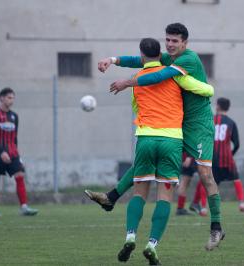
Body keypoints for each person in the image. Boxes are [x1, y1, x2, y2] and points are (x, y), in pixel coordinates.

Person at [86, 23, 224, 250]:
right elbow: (142, 60)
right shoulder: (169, 57)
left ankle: (216, 228)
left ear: (185, 43)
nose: (169, 45)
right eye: (167, 40)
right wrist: (112, 60)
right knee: (144, 164)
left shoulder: (188, 59)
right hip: (177, 124)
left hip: (198, 124)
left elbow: (159, 75)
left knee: (205, 174)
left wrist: (126, 82)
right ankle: (111, 197)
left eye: (174, 41)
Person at [115, 38, 214, 265]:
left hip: (146, 137)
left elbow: (136, 107)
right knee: (165, 196)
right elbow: (202, 89)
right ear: (161, 53)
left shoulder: (137, 79)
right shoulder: (174, 75)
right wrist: (209, 89)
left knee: (139, 191)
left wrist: (114, 62)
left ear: (142, 56)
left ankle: (131, 235)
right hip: (172, 140)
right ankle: (152, 244)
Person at [0, 88, 38, 216]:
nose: (12, 100)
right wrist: (1, 152)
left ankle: (24, 207)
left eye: (13, 98)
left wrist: (16, 151)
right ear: (2, 98)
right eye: (9, 97)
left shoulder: (14, 116)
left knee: (20, 175)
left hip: (12, 152)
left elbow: (14, 137)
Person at [212, 97, 244, 215]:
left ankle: (204, 208)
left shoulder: (210, 120)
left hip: (213, 158)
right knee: (236, 180)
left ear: (218, 106)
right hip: (227, 158)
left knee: (211, 183)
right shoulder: (231, 122)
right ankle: (241, 203)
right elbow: (237, 144)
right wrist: (231, 154)